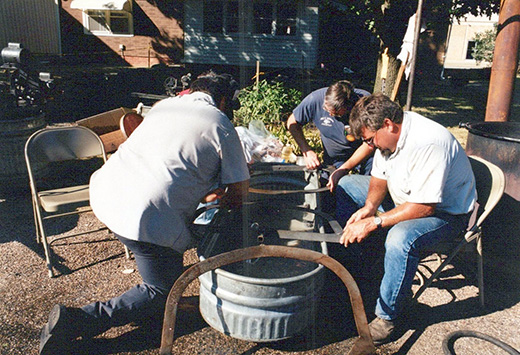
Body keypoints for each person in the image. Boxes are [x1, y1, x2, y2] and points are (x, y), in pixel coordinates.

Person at [39, 73, 250, 354]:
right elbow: (239, 192)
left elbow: (167, 162)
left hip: (107, 192)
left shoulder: (164, 106)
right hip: (143, 213)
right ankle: (75, 322)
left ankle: (153, 300)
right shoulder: (219, 122)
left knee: (157, 260)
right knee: (162, 291)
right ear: (222, 99)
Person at [335, 93, 476, 345]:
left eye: (370, 139)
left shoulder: (428, 143)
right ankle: (365, 261)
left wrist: (374, 222)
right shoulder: (389, 136)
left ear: (388, 124)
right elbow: (380, 176)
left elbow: (424, 208)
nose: (371, 145)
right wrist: (369, 207)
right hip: (407, 200)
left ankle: (387, 317)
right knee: (347, 183)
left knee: (400, 239)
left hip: (446, 216)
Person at [286, 80, 374, 177]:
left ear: (348, 106)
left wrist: (344, 169)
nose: (330, 115)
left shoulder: (365, 103)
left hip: (363, 154)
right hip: (334, 158)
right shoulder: (315, 99)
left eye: (336, 113)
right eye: (326, 110)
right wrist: (307, 151)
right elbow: (292, 122)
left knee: (369, 182)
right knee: (327, 186)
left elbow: (370, 144)